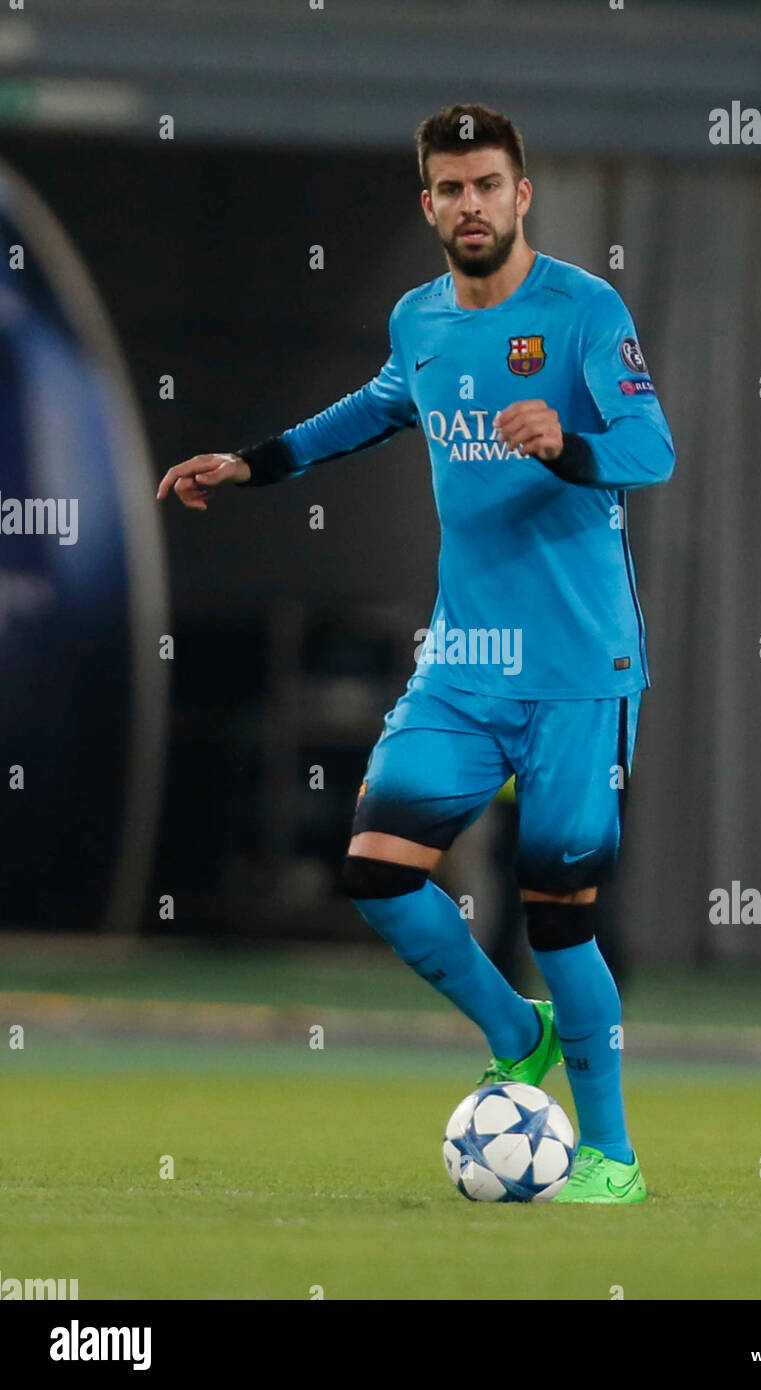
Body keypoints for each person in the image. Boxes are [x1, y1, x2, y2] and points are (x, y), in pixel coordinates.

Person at [156, 103, 675, 1203]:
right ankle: (511, 1028)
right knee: (379, 876)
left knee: (560, 919)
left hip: (580, 665)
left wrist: (570, 442)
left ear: (521, 194)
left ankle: (613, 1157)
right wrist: (250, 463)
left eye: (490, 183)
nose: (472, 203)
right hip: (465, 660)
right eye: (452, 187)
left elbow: (651, 446)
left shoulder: (585, 310)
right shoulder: (419, 321)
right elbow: (377, 408)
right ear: (428, 202)